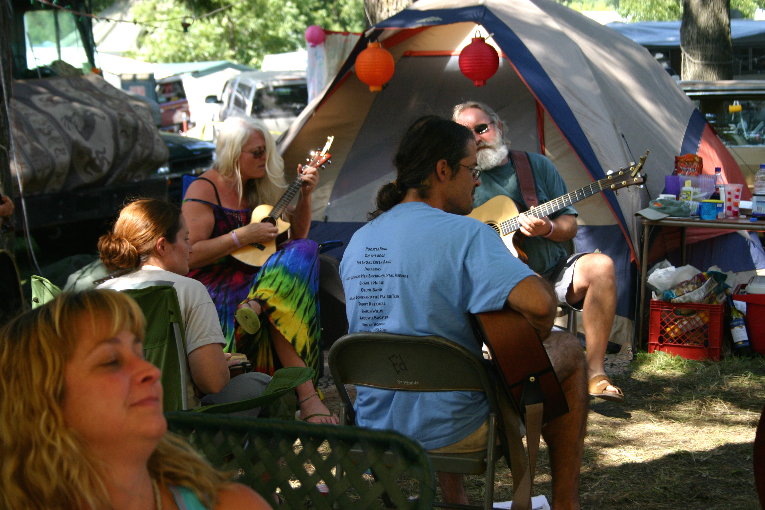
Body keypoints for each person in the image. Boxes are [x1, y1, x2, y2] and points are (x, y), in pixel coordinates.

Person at [340, 116, 588, 508]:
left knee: (439, 349)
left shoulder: (358, 240)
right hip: (454, 426)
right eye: (471, 170)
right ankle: (565, 504)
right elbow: (542, 308)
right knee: (569, 349)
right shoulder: (468, 233)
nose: (476, 181)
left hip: (376, 424)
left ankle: (456, 500)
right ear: (443, 170)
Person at [0, 289, 272, 510]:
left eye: (140, 354)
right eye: (111, 361)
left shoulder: (234, 504)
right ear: (43, 398)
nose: (151, 371)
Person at [453, 100, 624, 403]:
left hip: (551, 272)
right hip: (495, 283)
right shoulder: (456, 176)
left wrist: (548, 228)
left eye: (482, 128)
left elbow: (569, 225)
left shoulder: (536, 166)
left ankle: (595, 373)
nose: (477, 138)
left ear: (498, 127)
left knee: (601, 266)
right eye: (467, 133)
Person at [182, 116, 337, 424]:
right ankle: (307, 396)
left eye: (267, 151)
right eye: (256, 152)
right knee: (280, 297)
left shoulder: (260, 187)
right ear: (232, 152)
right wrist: (240, 237)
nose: (264, 158)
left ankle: (258, 302)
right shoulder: (205, 188)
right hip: (218, 281)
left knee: (306, 249)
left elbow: (297, 237)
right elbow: (189, 255)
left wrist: (306, 195)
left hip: (260, 281)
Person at [96, 198, 270, 410]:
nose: (190, 249)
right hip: (177, 423)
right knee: (262, 384)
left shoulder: (99, 297)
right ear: (162, 246)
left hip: (113, 422)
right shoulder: (189, 289)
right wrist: (218, 366)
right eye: (186, 239)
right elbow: (213, 382)